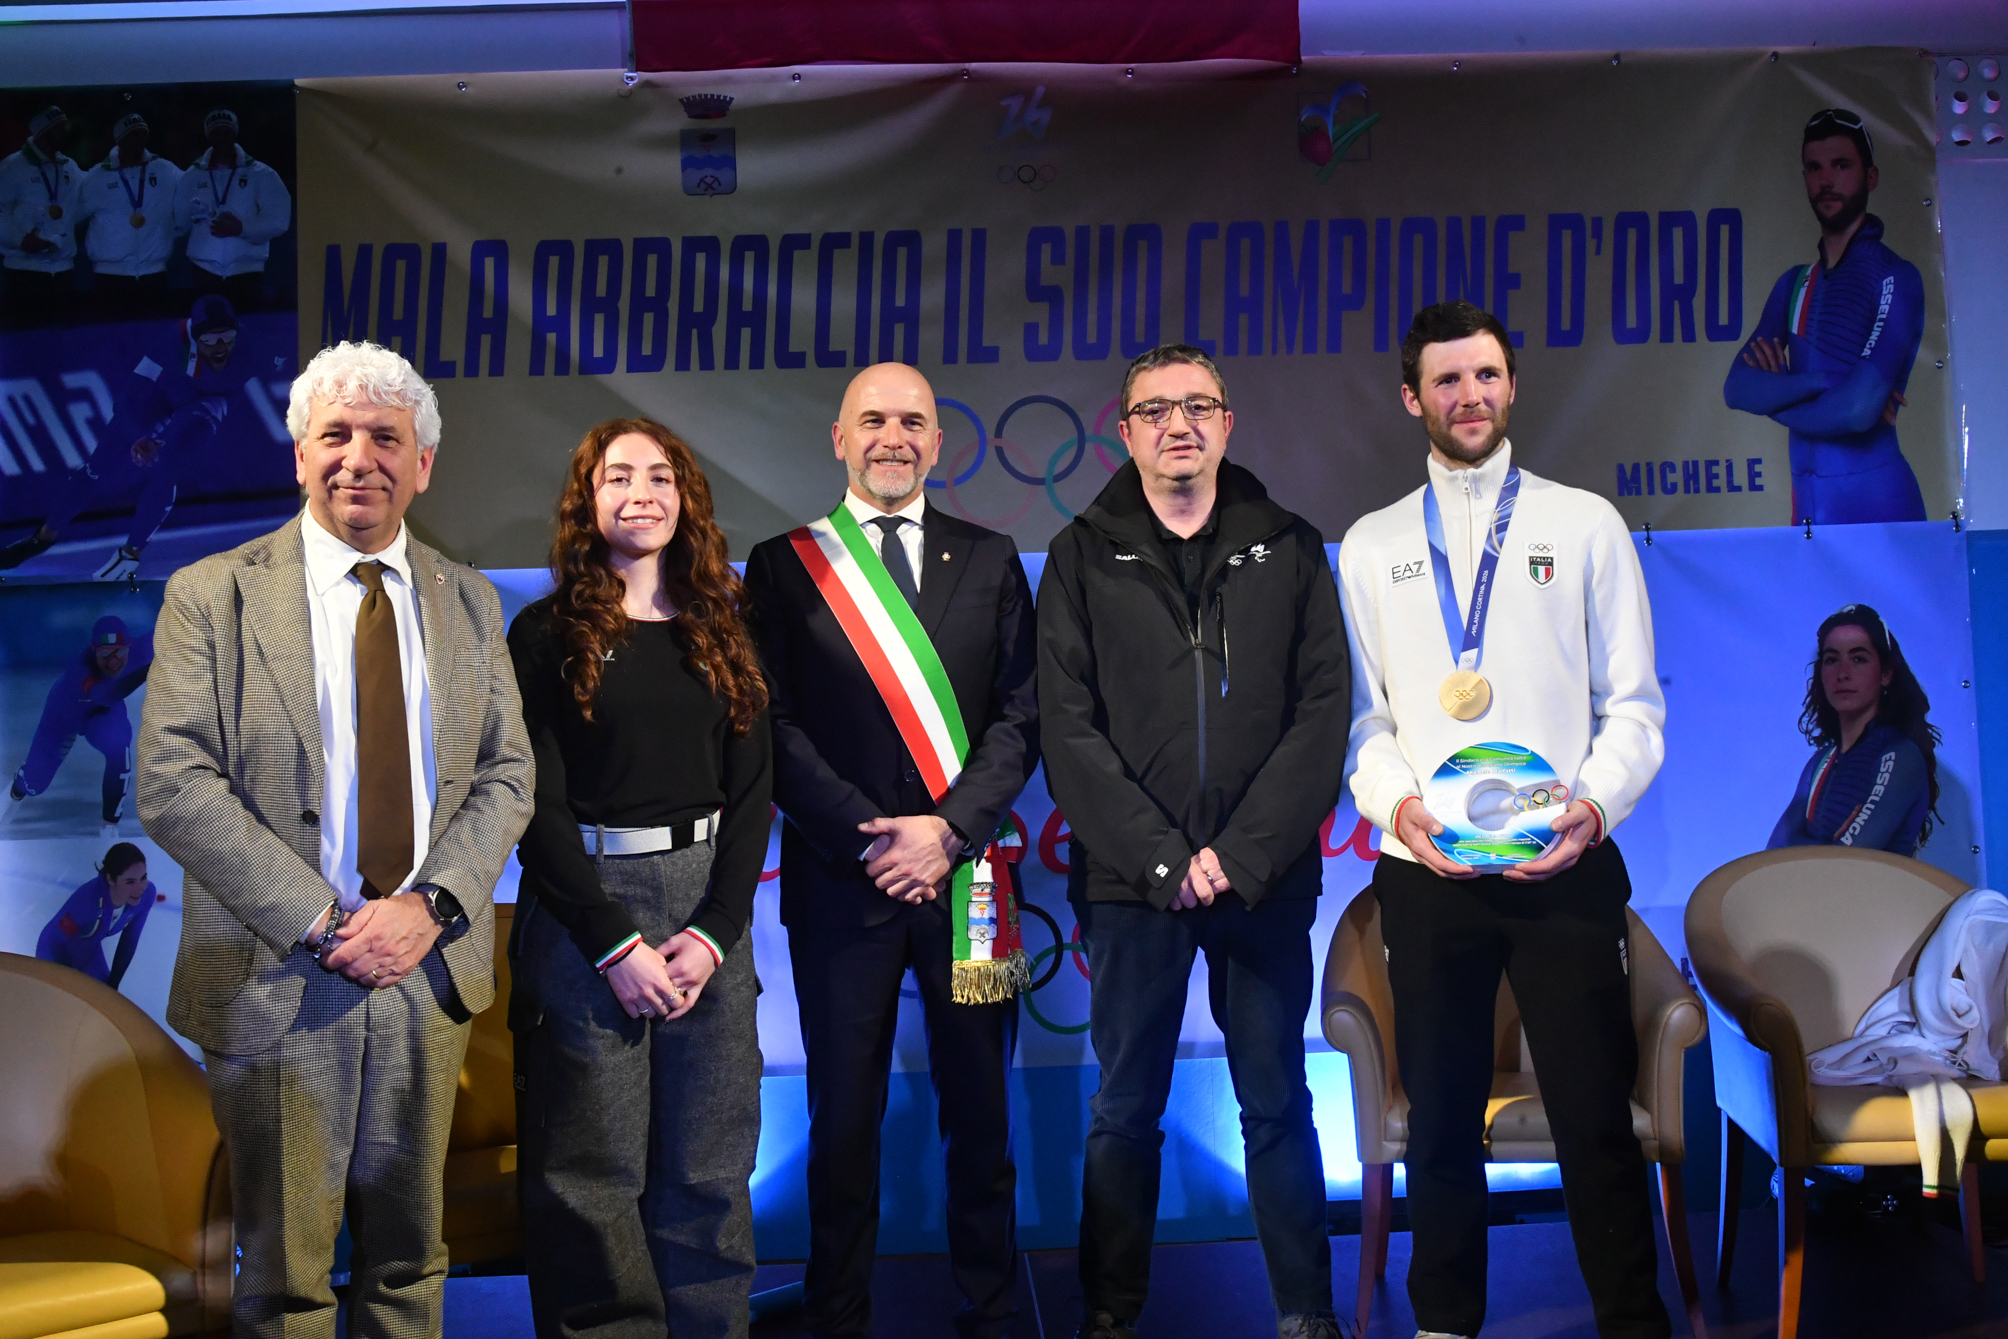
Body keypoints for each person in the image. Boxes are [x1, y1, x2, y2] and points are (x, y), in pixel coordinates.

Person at [136, 339, 534, 1339]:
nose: (361, 457)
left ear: (423, 463)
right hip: (278, 976)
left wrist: (430, 907)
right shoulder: (212, 594)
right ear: (299, 454)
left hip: (424, 976)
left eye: (386, 438)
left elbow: (507, 774)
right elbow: (173, 782)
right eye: (337, 434)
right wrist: (320, 919)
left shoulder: (470, 599)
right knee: (283, 1279)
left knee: (412, 1262)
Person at [1338, 301, 1668, 1339]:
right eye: (1446, 379)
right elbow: (1364, 722)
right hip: (1428, 874)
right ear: (1412, 398)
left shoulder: (1585, 523)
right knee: (1438, 1122)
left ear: (1513, 385)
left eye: (1485, 375)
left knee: (1594, 1116)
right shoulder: (1372, 543)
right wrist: (1399, 807)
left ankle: (1633, 1322)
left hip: (1565, 867)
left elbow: (1635, 709)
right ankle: (1444, 1323)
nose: (1468, 395)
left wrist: (1591, 808)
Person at [1038, 343, 1351, 1339]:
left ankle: (1306, 1312)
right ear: (1124, 430)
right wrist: (1164, 859)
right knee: (1124, 1108)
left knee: (1278, 1102)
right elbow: (1067, 729)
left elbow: (1322, 714)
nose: (1178, 424)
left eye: (1198, 406)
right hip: (1135, 884)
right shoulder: (1078, 554)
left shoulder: (1291, 546)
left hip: (1262, 880)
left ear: (1227, 423)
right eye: (1156, 409)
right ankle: (1108, 1314)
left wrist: (1241, 853)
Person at [743, 362, 1039, 1339]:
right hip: (844, 883)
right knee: (840, 1124)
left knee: (983, 1115)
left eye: (913, 422)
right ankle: (838, 1317)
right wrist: (870, 838)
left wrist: (948, 831)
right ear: (839, 438)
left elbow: (1022, 714)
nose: (893, 437)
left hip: (971, 883)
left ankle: (992, 1311)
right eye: (873, 420)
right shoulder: (783, 566)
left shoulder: (991, 559)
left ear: (937, 443)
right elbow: (772, 724)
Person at [508, 417, 772, 1339]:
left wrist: (715, 930)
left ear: (684, 497)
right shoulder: (544, 634)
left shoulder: (724, 624)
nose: (641, 493)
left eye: (659, 476)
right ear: (587, 499)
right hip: (586, 909)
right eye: (617, 476)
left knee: (711, 1164)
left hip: (706, 912)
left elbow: (753, 791)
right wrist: (613, 942)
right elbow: (531, 803)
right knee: (590, 1172)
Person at [1723, 108, 1926, 525]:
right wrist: (1826, 382)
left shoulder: (1896, 278)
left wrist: (1776, 399)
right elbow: (1737, 388)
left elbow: (1857, 411)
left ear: (1871, 177)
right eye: (1814, 168)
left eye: (1841, 165)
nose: (1826, 180)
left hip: (1882, 509)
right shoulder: (1793, 285)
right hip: (1810, 512)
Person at [0, 295, 259, 580]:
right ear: (195, 337)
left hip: (211, 401)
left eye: (227, 337)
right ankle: (42, 538)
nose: (220, 346)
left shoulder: (258, 347)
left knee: (169, 464)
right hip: (164, 396)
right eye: (209, 339)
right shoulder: (170, 343)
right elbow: (126, 400)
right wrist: (137, 436)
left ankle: (129, 554)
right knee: (96, 468)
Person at [1768, 603, 1938, 857]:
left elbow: (1847, 861)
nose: (1843, 673)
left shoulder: (1900, 756)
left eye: (1858, 659)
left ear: (1886, 674)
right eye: (1832, 660)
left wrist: (1804, 849)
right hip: (1809, 883)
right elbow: (1774, 851)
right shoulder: (1820, 762)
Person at [4, 614, 153, 837]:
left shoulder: (143, 649)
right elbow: (106, 695)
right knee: (34, 785)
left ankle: (109, 828)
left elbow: (173, 626)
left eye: (120, 653)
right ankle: (19, 785)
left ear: (129, 647)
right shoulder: (81, 670)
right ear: (94, 651)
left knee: (118, 744)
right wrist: (150, 668)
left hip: (100, 715)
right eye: (105, 655)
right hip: (63, 715)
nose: (114, 663)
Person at [171, 108, 291, 312]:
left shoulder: (261, 173)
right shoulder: (193, 175)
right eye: (215, 132)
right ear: (208, 136)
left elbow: (280, 220)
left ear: (235, 133)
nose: (221, 138)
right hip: (204, 271)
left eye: (226, 132)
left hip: (247, 271)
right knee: (208, 329)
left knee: (248, 327)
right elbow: (179, 221)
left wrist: (242, 229)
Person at [76, 112, 183, 321]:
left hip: (154, 275)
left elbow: (192, 191)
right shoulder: (98, 177)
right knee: (111, 337)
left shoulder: (165, 171)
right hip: (110, 278)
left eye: (142, 134)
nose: (138, 140)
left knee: (155, 337)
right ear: (119, 140)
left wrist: (181, 227)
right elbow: (73, 215)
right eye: (132, 135)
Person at [0, 105, 82, 329]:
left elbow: (83, 204)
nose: (65, 132)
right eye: (59, 127)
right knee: (27, 340)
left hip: (63, 272)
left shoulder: (70, 167)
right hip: (25, 274)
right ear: (43, 131)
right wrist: (20, 239)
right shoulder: (11, 167)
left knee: (63, 341)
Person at [37, 841, 157, 991]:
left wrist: (113, 984)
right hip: (53, 952)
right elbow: (56, 941)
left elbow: (129, 941)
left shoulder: (147, 895)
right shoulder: (88, 900)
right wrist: (71, 984)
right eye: (130, 882)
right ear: (111, 879)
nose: (140, 888)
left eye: (143, 878)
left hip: (88, 949)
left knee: (105, 999)